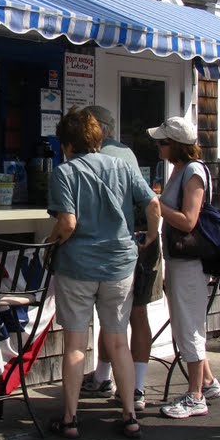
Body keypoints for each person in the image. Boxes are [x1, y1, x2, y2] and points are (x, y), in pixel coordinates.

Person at [46, 108, 160, 440]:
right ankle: (129, 417)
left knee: (75, 344)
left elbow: (67, 224)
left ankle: (69, 419)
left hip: (78, 266)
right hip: (118, 266)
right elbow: (152, 204)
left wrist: (49, 244)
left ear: (67, 144)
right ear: (98, 138)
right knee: (118, 342)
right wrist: (150, 237)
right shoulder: (123, 166)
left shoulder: (64, 172)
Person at [79, 105, 162, 412]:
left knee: (125, 315)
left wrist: (148, 236)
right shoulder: (126, 152)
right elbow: (148, 201)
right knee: (120, 316)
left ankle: (127, 386)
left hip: (126, 243)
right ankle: (116, 381)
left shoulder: (98, 158)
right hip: (137, 240)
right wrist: (153, 235)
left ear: (97, 128)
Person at [147, 115, 220, 420]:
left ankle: (195, 396)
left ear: (177, 145)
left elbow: (189, 220)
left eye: (163, 142)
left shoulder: (192, 171)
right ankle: (207, 381)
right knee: (182, 323)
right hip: (178, 260)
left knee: (189, 326)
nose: (158, 146)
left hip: (191, 261)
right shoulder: (179, 169)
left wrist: (156, 203)